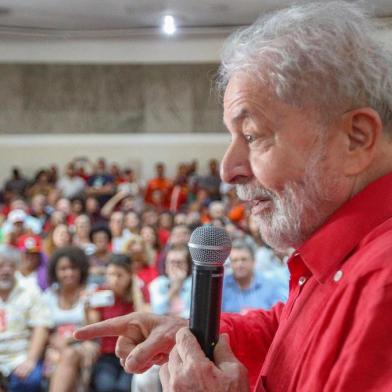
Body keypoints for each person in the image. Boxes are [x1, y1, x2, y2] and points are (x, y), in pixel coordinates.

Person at [75, 2, 392, 391]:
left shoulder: (384, 281)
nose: (228, 169)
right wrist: (196, 334)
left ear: (355, 138)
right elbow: (294, 333)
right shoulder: (340, 258)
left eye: (253, 135)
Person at [86, 254, 146, 392]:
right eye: (111, 274)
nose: (114, 280)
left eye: (120, 275)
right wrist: (86, 308)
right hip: (107, 355)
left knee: (124, 388)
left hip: (132, 354)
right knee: (106, 386)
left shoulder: (137, 294)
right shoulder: (100, 293)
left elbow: (145, 321)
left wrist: (136, 290)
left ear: (129, 276)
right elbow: (92, 326)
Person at [43, 246, 99, 392]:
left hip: (85, 344)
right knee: (62, 356)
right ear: (55, 272)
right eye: (63, 269)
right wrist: (56, 342)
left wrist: (68, 341)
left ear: (81, 269)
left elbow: (94, 328)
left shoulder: (91, 292)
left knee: (70, 354)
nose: (69, 273)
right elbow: (43, 329)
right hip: (56, 345)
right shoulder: (49, 296)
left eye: (73, 268)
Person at [0, 246, 53, 392]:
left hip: (20, 357)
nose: (6, 270)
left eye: (11, 266)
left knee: (29, 381)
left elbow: (41, 327)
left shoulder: (30, 290)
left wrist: (30, 360)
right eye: (1, 266)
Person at [222, 240, 287, 313]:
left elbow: (278, 314)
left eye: (244, 259)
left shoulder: (269, 285)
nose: (239, 264)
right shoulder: (222, 286)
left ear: (254, 261)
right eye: (235, 260)